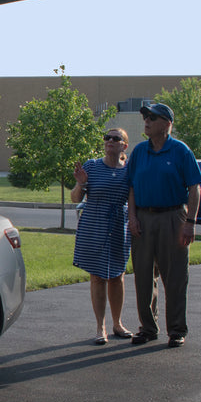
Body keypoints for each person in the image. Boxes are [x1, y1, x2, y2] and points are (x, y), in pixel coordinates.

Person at [126, 103, 201, 348]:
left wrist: (190, 222)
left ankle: (177, 330)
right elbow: (132, 187)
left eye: (152, 118)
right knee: (144, 277)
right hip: (144, 219)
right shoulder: (139, 152)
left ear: (167, 123)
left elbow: (194, 188)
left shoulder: (180, 151)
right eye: (145, 118)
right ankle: (148, 328)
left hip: (173, 217)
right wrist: (133, 217)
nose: (146, 122)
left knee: (176, 277)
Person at [70, 127, 134, 345]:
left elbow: (133, 199)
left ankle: (118, 323)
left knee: (117, 275)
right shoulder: (92, 166)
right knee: (97, 276)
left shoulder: (129, 170)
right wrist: (81, 182)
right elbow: (75, 197)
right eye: (107, 137)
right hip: (93, 223)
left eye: (116, 138)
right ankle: (101, 327)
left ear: (124, 145)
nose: (109, 141)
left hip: (118, 225)